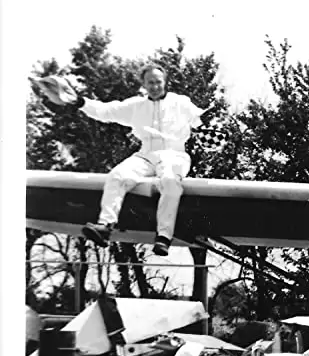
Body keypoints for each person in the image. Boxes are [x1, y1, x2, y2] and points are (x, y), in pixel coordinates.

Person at [36, 64, 209, 256]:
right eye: (150, 82)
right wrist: (78, 100)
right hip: (145, 154)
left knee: (169, 182)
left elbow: (201, 119)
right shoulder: (136, 105)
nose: (155, 86)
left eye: (158, 82)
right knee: (117, 175)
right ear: (143, 84)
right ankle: (105, 226)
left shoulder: (180, 102)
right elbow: (105, 111)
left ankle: (163, 237)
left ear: (165, 82)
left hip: (174, 154)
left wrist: (206, 124)